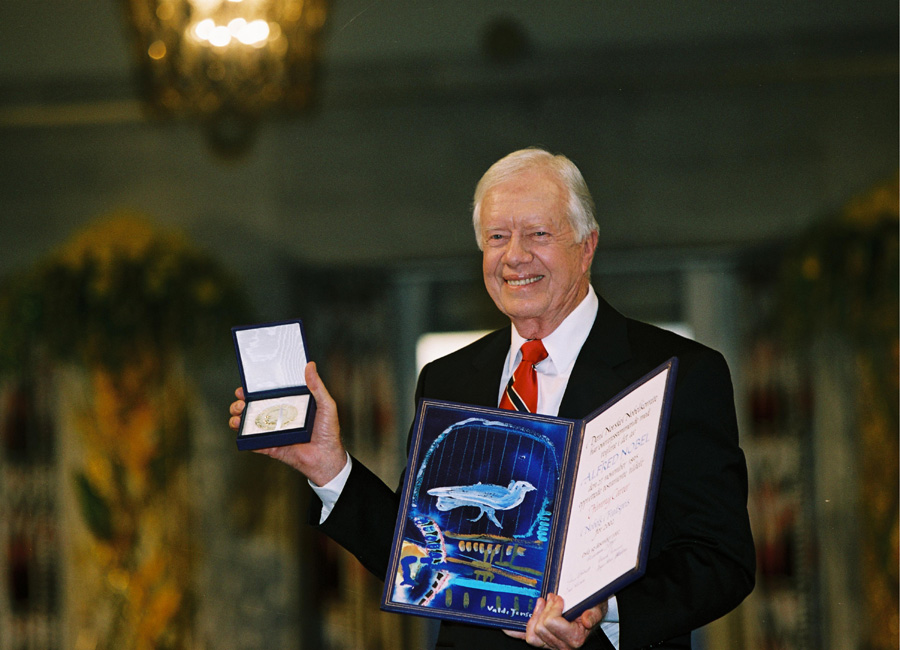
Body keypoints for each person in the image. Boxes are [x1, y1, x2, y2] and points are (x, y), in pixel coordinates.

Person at [229, 148, 755, 650]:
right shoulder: (448, 378)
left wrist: (606, 611)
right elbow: (428, 549)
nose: (515, 256)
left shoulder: (680, 373)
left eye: (538, 233)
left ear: (588, 244)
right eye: (497, 236)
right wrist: (331, 468)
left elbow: (720, 559)